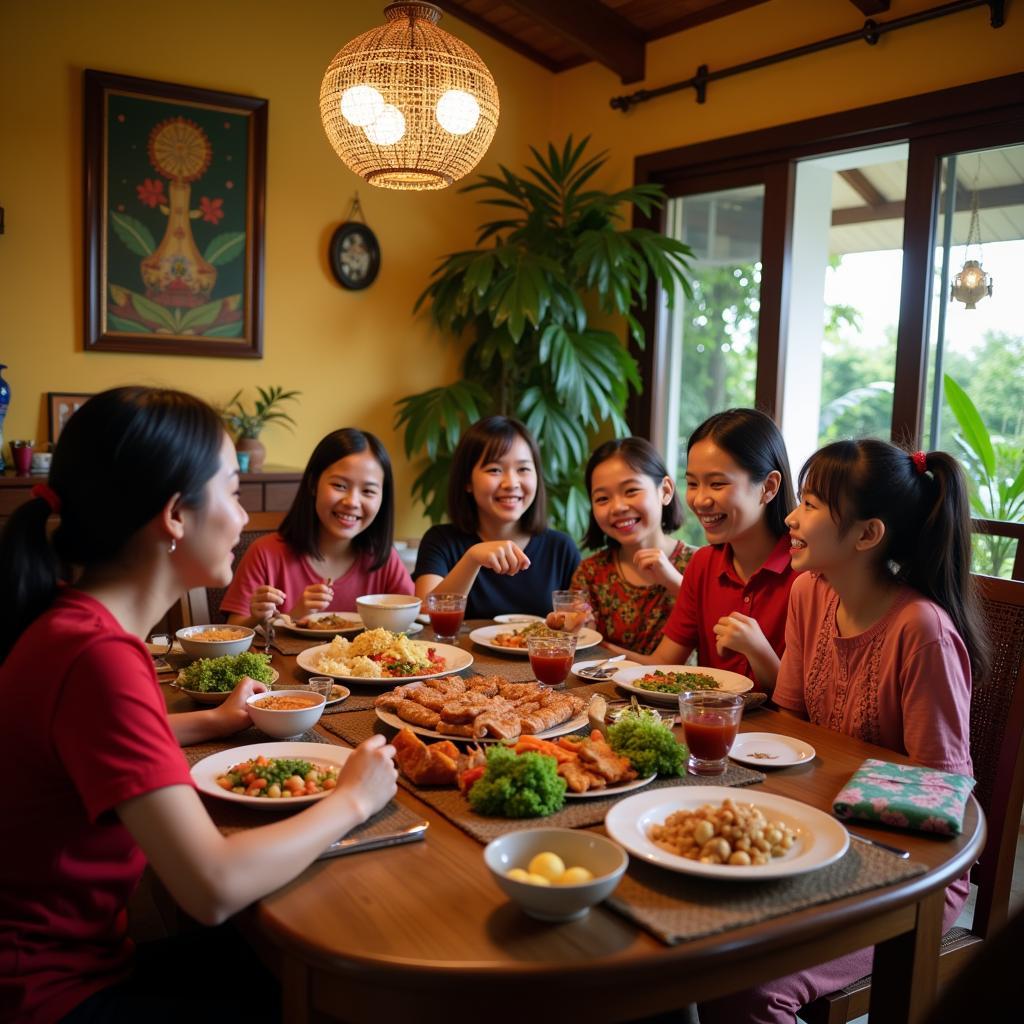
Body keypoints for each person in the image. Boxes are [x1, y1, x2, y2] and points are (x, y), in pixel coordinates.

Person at [0, 388, 398, 1023]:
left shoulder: (75, 626)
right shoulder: (97, 657)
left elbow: (96, 737)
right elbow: (213, 887)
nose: (243, 518)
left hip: (89, 960)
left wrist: (213, 721)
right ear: (175, 516)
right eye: (234, 493)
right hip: (50, 995)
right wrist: (356, 797)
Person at [699, 440, 984, 1024]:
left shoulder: (921, 631)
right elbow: (790, 721)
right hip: (819, 830)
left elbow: (941, 794)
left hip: (911, 874)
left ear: (866, 534)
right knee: (695, 937)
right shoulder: (809, 594)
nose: (793, 519)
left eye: (809, 504)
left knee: (746, 987)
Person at [629, 409, 798, 693]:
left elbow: (808, 705)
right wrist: (586, 646)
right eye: (693, 483)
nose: (700, 499)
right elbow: (661, 665)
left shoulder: (807, 574)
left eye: (717, 483)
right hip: (709, 728)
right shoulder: (703, 564)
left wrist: (759, 651)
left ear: (768, 487)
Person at [221, 428, 412, 626]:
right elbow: (232, 635)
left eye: (368, 491)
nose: (352, 502)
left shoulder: (384, 559)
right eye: (339, 486)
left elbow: (414, 623)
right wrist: (278, 617)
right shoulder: (265, 554)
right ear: (313, 484)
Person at [413, 416, 580, 619]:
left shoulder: (561, 548)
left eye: (523, 469)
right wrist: (472, 558)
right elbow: (425, 611)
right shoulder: (441, 541)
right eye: (495, 470)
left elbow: (579, 622)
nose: (511, 483)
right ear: (467, 481)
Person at [571, 437, 696, 655]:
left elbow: (718, 632)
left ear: (665, 491)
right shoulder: (590, 572)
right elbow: (579, 644)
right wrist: (574, 629)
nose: (618, 507)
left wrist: (674, 582)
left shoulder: (700, 565)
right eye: (602, 498)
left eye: (631, 491)